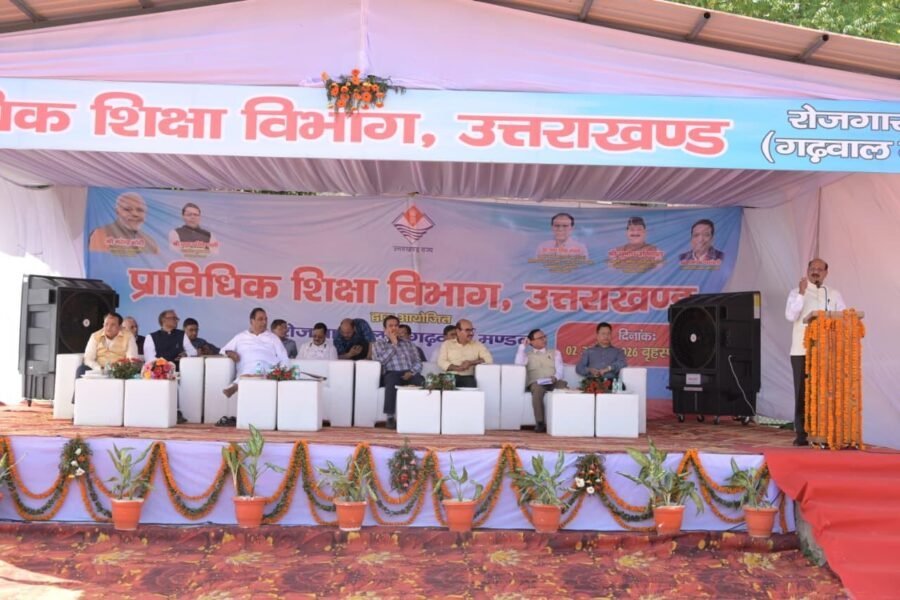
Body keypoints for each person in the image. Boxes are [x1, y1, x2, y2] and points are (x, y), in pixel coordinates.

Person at [785, 258, 846, 446]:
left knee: (824, 392)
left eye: (819, 269)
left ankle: (824, 431)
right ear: (807, 270)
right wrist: (802, 293)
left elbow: (844, 317)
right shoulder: (796, 292)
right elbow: (790, 316)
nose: (815, 272)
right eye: (812, 268)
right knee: (802, 393)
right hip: (801, 350)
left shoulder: (833, 294)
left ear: (826, 273)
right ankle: (802, 434)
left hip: (826, 351)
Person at [218, 308, 289, 426]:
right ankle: (240, 383)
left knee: (260, 366)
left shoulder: (273, 338)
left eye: (265, 319)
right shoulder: (240, 337)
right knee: (253, 368)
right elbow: (223, 350)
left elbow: (284, 358)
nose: (264, 322)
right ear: (252, 321)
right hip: (246, 367)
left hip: (268, 369)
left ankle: (236, 385)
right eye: (260, 319)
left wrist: (282, 372)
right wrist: (230, 353)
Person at [372, 315, 425, 430]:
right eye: (390, 326)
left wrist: (412, 372)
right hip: (391, 373)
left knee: (421, 381)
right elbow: (380, 362)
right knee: (391, 381)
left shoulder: (409, 344)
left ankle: (421, 415)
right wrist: (394, 345)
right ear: (385, 329)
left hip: (409, 373)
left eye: (396, 325)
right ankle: (390, 417)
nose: (394, 328)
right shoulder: (378, 344)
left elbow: (418, 362)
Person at [515, 329, 567, 433]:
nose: (544, 339)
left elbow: (560, 369)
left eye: (544, 336)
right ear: (531, 341)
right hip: (537, 383)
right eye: (540, 338)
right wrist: (522, 347)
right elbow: (518, 364)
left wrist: (555, 377)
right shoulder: (527, 355)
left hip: (553, 381)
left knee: (564, 388)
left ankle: (564, 421)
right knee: (537, 389)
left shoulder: (555, 353)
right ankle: (540, 422)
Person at [88, 192, 159, 256]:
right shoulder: (100, 234)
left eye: (140, 210)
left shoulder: (150, 243)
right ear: (117, 212)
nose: (135, 214)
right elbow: (98, 261)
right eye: (127, 209)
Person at [77, 312, 139, 378]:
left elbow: (132, 359)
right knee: (81, 369)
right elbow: (88, 359)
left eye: (113, 325)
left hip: (119, 371)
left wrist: (117, 369)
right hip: (98, 370)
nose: (108, 328)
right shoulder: (95, 336)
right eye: (106, 324)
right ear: (103, 324)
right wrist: (99, 368)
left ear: (120, 326)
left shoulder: (129, 337)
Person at [437, 319, 493, 388]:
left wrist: (471, 363)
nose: (471, 333)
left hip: (467, 377)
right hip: (449, 376)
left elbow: (489, 360)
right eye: (467, 330)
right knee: (440, 388)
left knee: (471, 386)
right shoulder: (447, 344)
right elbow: (441, 362)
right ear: (458, 331)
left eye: (472, 330)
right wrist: (457, 368)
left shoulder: (478, 345)